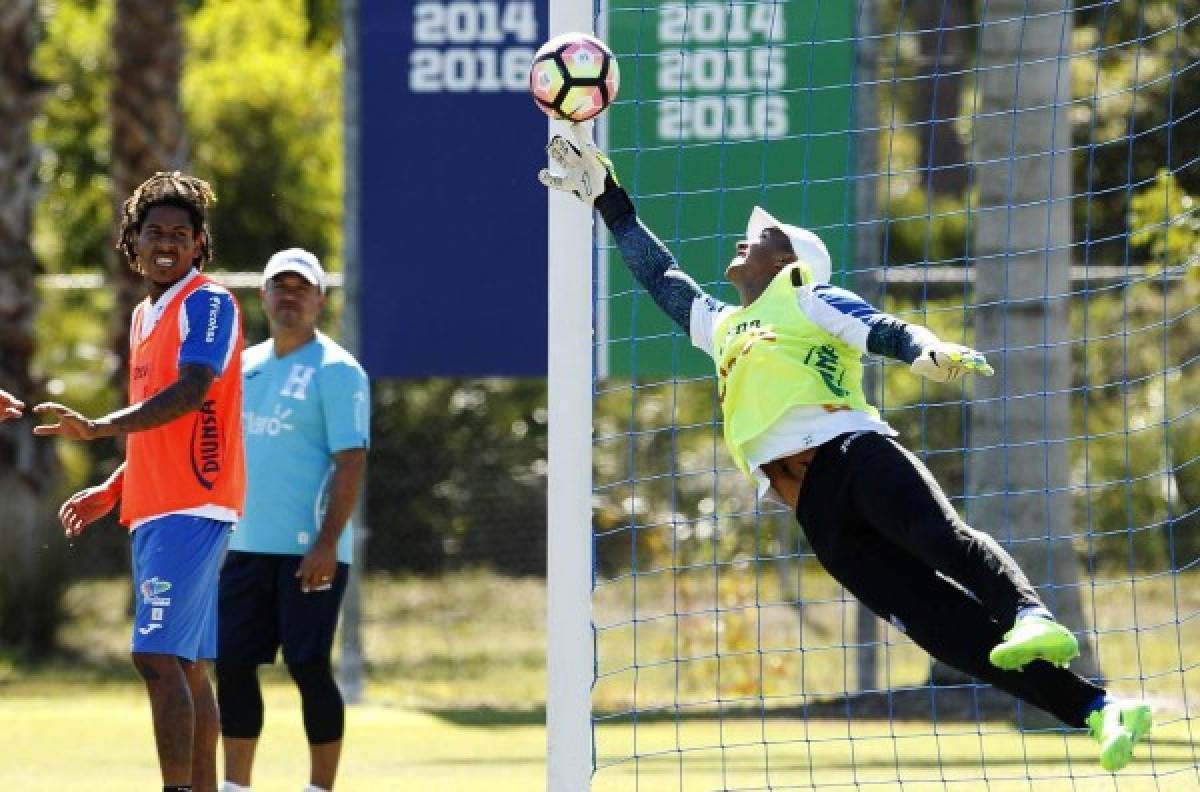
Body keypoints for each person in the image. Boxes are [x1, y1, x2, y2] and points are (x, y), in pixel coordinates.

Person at [538, 124, 1152, 773]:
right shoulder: (723, 326)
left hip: (852, 451)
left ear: (788, 263)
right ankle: (1097, 710)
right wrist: (610, 198)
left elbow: (877, 327)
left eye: (763, 237)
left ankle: (1030, 613)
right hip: (817, 515)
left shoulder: (805, 297)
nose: (747, 239)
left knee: (940, 537)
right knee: (944, 631)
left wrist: (924, 350)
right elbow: (662, 276)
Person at [34, 171, 244, 792]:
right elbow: (158, 420)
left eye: (182, 234)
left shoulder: (207, 302)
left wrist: (97, 428)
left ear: (200, 244)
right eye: (155, 232)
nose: (168, 244)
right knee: (183, 662)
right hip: (156, 503)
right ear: (131, 241)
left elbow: (192, 390)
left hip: (194, 501)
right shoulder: (143, 315)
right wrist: (116, 485)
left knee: (153, 656)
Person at [215, 248, 369, 792]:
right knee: (233, 666)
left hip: (311, 550)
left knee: (308, 666)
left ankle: (319, 788)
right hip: (244, 545)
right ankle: (236, 786)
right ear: (263, 296)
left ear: (319, 300)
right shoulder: (243, 366)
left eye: (301, 287)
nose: (289, 296)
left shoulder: (338, 370)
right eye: (279, 286)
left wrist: (326, 543)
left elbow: (351, 459)